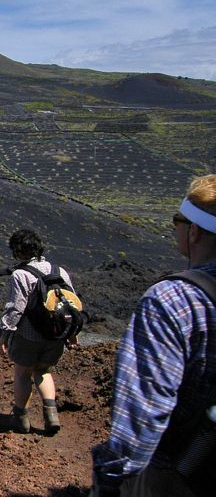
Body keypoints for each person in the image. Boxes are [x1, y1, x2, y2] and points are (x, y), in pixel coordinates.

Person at [92, 175, 216, 497]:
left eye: (178, 220)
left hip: (179, 472)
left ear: (193, 231)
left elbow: (142, 415)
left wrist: (112, 482)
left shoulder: (173, 301)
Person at [0, 229, 78, 435]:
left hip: (28, 335)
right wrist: (71, 332)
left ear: (17, 251)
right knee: (43, 371)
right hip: (55, 335)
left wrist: (6, 333)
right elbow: (71, 304)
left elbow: (16, 307)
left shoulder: (21, 275)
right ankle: (51, 415)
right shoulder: (59, 271)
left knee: (23, 372)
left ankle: (21, 419)